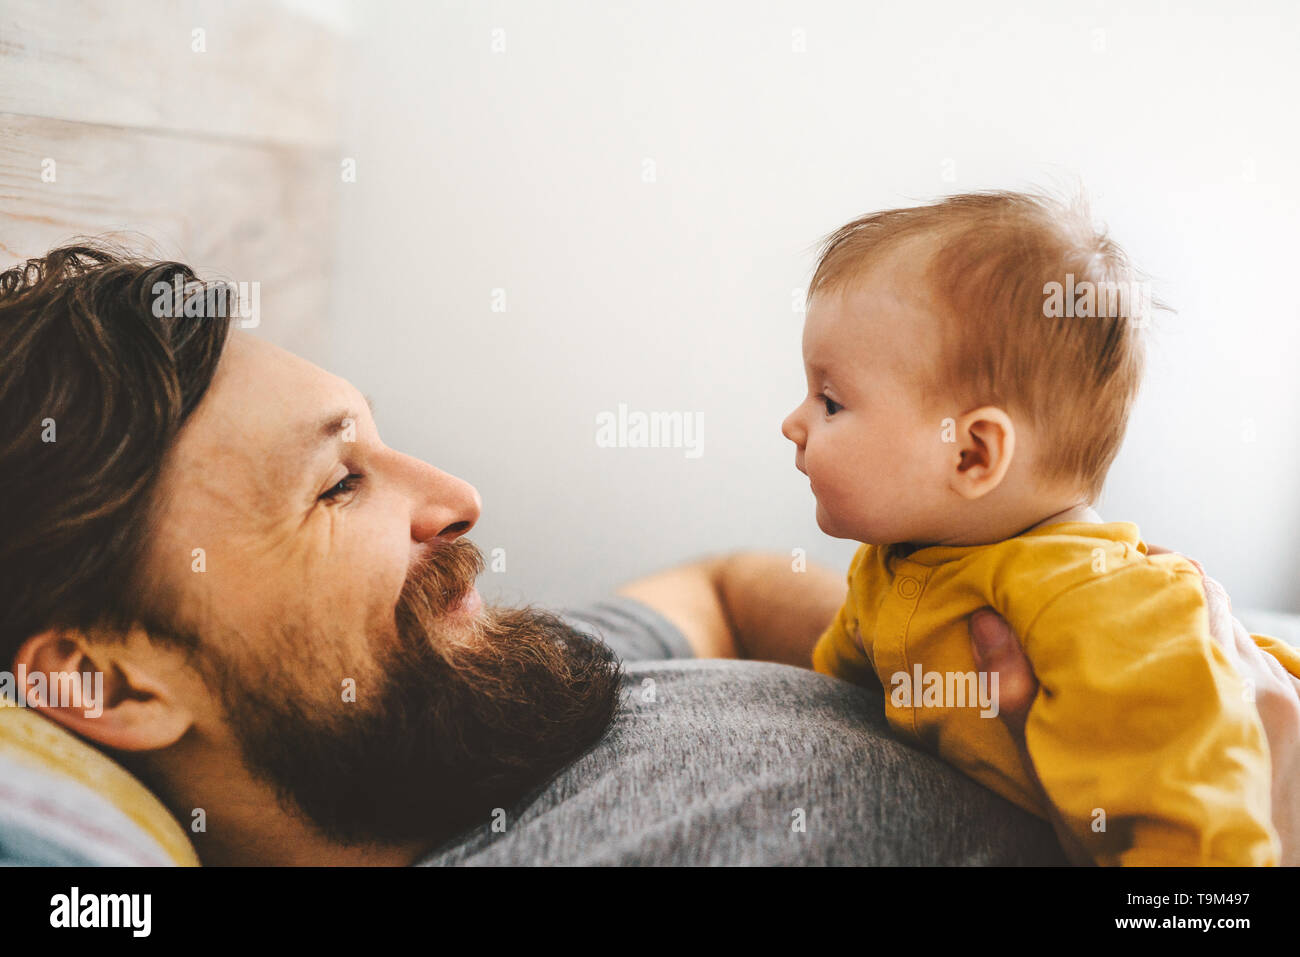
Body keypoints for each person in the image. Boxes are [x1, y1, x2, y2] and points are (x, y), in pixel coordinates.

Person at [1, 243, 1295, 866]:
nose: (456, 499)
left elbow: (723, 587)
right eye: (341, 481)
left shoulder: (482, 693)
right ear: (103, 683)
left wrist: (944, 662)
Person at [781, 191, 1300, 865]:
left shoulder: (1104, 607)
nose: (794, 422)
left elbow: (1206, 833)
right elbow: (837, 682)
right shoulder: (892, 563)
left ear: (972, 454)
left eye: (830, 401)